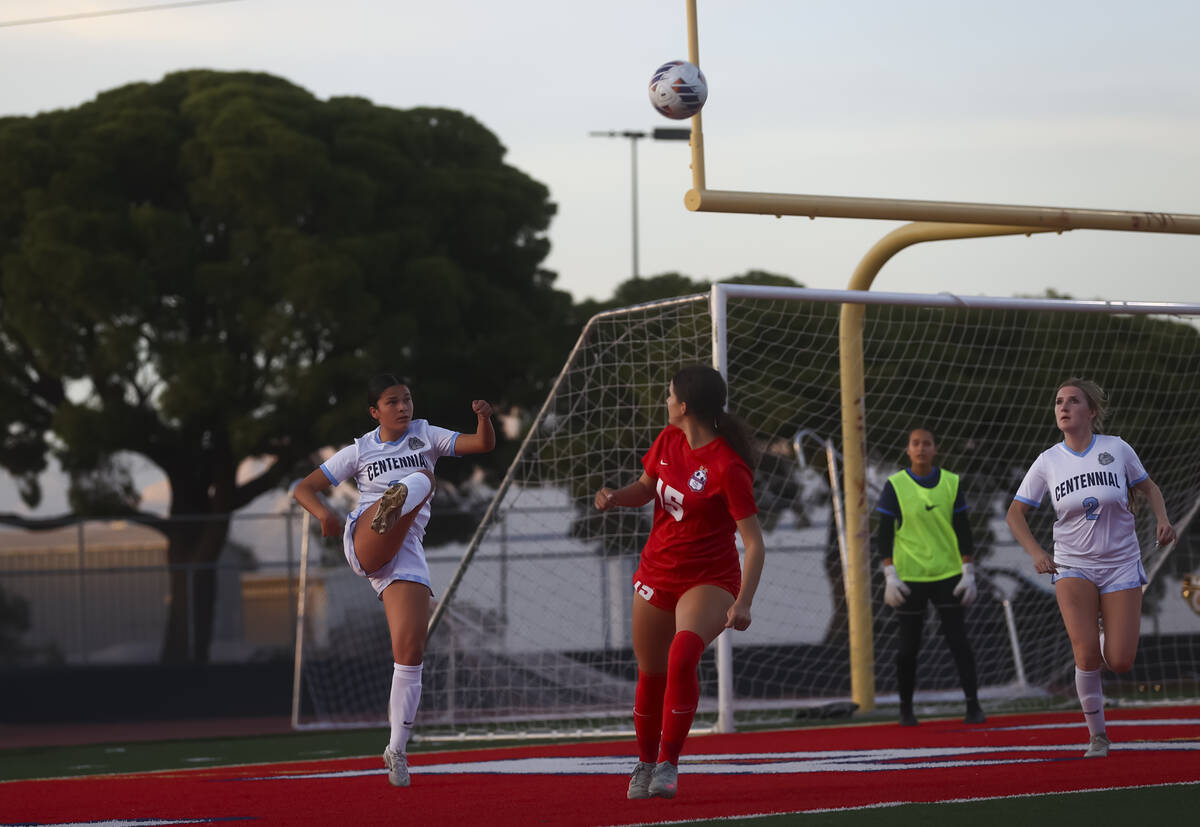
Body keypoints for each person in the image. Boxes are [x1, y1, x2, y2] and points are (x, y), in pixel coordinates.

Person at [292, 372, 495, 786]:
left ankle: (396, 749)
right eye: (392, 402)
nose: (403, 408)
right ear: (374, 411)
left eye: (407, 400)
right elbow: (304, 488)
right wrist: (326, 515)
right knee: (421, 479)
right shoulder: (360, 449)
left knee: (410, 650)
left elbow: (482, 445)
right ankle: (393, 503)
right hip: (365, 537)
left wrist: (485, 420)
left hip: (405, 553)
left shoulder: (426, 433)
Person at [594, 365, 765, 801]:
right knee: (650, 673)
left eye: (669, 395)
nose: (665, 401)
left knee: (682, 655)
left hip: (709, 578)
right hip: (657, 571)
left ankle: (669, 763)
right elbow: (646, 488)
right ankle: (645, 763)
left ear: (685, 405)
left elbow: (754, 544)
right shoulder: (669, 441)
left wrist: (743, 602)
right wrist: (616, 497)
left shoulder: (728, 467)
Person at [1006, 378, 1174, 759]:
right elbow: (1015, 514)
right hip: (1072, 565)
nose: (1063, 407)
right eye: (1058, 401)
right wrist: (1035, 552)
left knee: (1119, 661)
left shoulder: (1117, 449)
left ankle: (1102, 636)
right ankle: (1098, 737)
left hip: (1120, 565)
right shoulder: (1048, 461)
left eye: (1073, 401)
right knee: (1084, 656)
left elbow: (1150, 488)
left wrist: (1162, 519)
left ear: (1091, 412)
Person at [876, 427, 986, 727]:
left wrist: (969, 571)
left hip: (948, 574)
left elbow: (963, 529)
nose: (921, 448)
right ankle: (906, 711)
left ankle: (973, 706)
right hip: (909, 576)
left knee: (958, 640)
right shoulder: (895, 485)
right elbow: (883, 534)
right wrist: (889, 574)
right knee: (908, 646)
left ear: (935, 449)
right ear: (908, 450)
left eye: (927, 443)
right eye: (915, 443)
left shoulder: (951, 482)